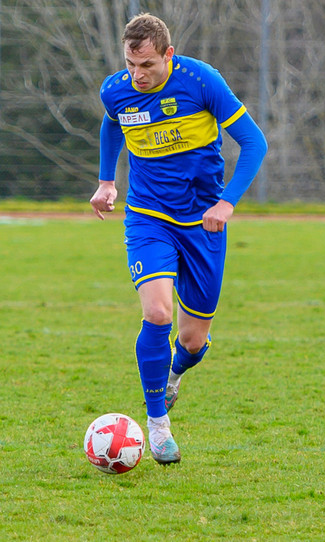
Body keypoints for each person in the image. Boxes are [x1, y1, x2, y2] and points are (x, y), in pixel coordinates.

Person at [90, 13, 267, 463]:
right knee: (157, 311)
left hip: (204, 222)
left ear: (168, 54)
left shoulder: (200, 80)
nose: (137, 75)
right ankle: (157, 425)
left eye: (147, 65)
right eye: (131, 64)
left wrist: (226, 203)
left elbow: (254, 142)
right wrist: (107, 181)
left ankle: (173, 376)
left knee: (192, 341)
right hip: (148, 216)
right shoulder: (117, 90)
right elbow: (112, 123)